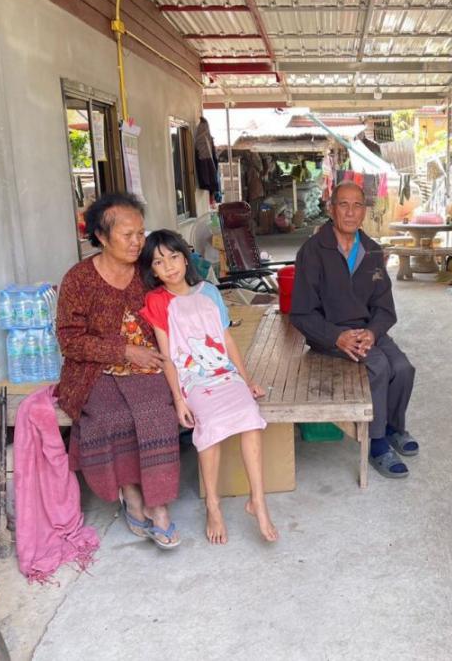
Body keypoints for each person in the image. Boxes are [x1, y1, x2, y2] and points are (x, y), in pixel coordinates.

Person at [56, 193, 181, 550]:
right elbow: (69, 340)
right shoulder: (79, 279)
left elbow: (180, 296)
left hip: (149, 364)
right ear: (101, 235)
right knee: (111, 416)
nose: (137, 242)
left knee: (156, 411)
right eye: (127, 235)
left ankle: (158, 505)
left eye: (141, 233)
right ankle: (132, 494)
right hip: (94, 369)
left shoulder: (148, 270)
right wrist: (124, 351)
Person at [138, 230, 278, 544]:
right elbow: (166, 356)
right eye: (159, 262)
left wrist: (246, 380)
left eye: (174, 256)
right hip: (193, 381)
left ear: (185, 259)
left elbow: (227, 340)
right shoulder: (157, 301)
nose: (169, 266)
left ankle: (258, 500)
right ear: (153, 270)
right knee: (210, 425)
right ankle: (212, 504)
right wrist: (179, 400)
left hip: (225, 374)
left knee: (250, 417)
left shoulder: (210, 292)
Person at [290, 180, 417, 479]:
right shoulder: (313, 251)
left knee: (403, 367)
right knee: (378, 365)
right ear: (331, 209)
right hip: (329, 335)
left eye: (357, 205)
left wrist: (372, 332)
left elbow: (385, 308)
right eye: (343, 205)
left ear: (364, 211)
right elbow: (301, 313)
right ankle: (377, 442)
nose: (350, 212)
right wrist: (336, 336)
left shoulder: (372, 251)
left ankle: (393, 426)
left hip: (368, 330)